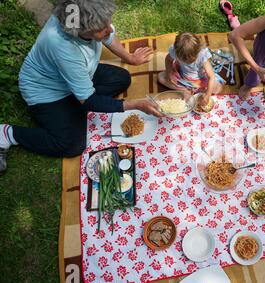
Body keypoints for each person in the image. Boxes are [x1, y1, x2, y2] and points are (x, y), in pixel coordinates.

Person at [0, 0, 163, 175]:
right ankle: (7, 134)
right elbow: (90, 100)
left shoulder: (78, 12)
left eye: (107, 21)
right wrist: (136, 104)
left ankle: (75, 104)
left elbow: (108, 35)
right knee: (71, 144)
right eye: (102, 28)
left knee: (121, 78)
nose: (110, 29)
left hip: (79, 74)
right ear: (82, 30)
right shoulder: (63, 47)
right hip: (46, 91)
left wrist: (130, 58)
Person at [157, 32, 224, 107]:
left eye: (190, 61)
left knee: (218, 88)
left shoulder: (202, 55)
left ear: (197, 52)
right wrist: (170, 74)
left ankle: (193, 90)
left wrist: (208, 95)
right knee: (161, 77)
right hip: (183, 77)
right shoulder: (175, 51)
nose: (187, 63)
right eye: (183, 60)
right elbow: (168, 60)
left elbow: (211, 76)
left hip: (201, 79)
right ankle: (186, 90)